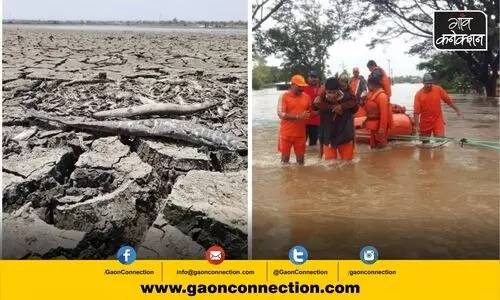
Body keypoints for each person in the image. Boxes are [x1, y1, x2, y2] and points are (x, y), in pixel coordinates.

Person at [313, 77, 357, 161]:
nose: (331, 95)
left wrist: (343, 107)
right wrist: (315, 103)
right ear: (325, 90)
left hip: (345, 136)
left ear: (339, 90)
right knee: (330, 166)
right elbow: (314, 108)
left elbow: (355, 109)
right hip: (329, 137)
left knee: (348, 164)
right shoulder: (321, 98)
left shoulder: (348, 97)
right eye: (329, 92)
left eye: (334, 92)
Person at [413, 73, 464, 143]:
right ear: (423, 83)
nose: (429, 85)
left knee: (440, 141)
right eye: (427, 83)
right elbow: (416, 112)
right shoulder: (418, 95)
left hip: (438, 120)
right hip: (425, 122)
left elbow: (449, 101)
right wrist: (417, 125)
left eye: (430, 83)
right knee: (424, 143)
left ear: (433, 82)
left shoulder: (438, 89)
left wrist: (458, 110)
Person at [277, 74, 312, 164]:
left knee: (301, 161)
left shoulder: (306, 97)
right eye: (299, 86)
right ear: (292, 85)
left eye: (303, 86)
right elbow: (280, 114)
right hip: (286, 134)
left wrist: (321, 107)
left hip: (300, 134)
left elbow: (311, 112)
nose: (301, 89)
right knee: (285, 160)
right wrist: (297, 117)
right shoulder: (284, 96)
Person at [364, 76, 390, 149]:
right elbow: (366, 109)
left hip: (379, 126)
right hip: (373, 125)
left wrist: (382, 128)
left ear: (371, 84)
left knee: (381, 146)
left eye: (367, 85)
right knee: (373, 146)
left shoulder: (382, 96)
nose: (367, 87)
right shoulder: (370, 94)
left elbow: (384, 114)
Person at [303, 71, 322, 147]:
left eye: (315, 77)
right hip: (303, 120)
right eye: (311, 77)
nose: (313, 79)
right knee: (300, 143)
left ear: (318, 79)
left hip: (317, 121)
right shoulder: (303, 88)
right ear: (308, 78)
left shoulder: (323, 89)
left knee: (313, 145)